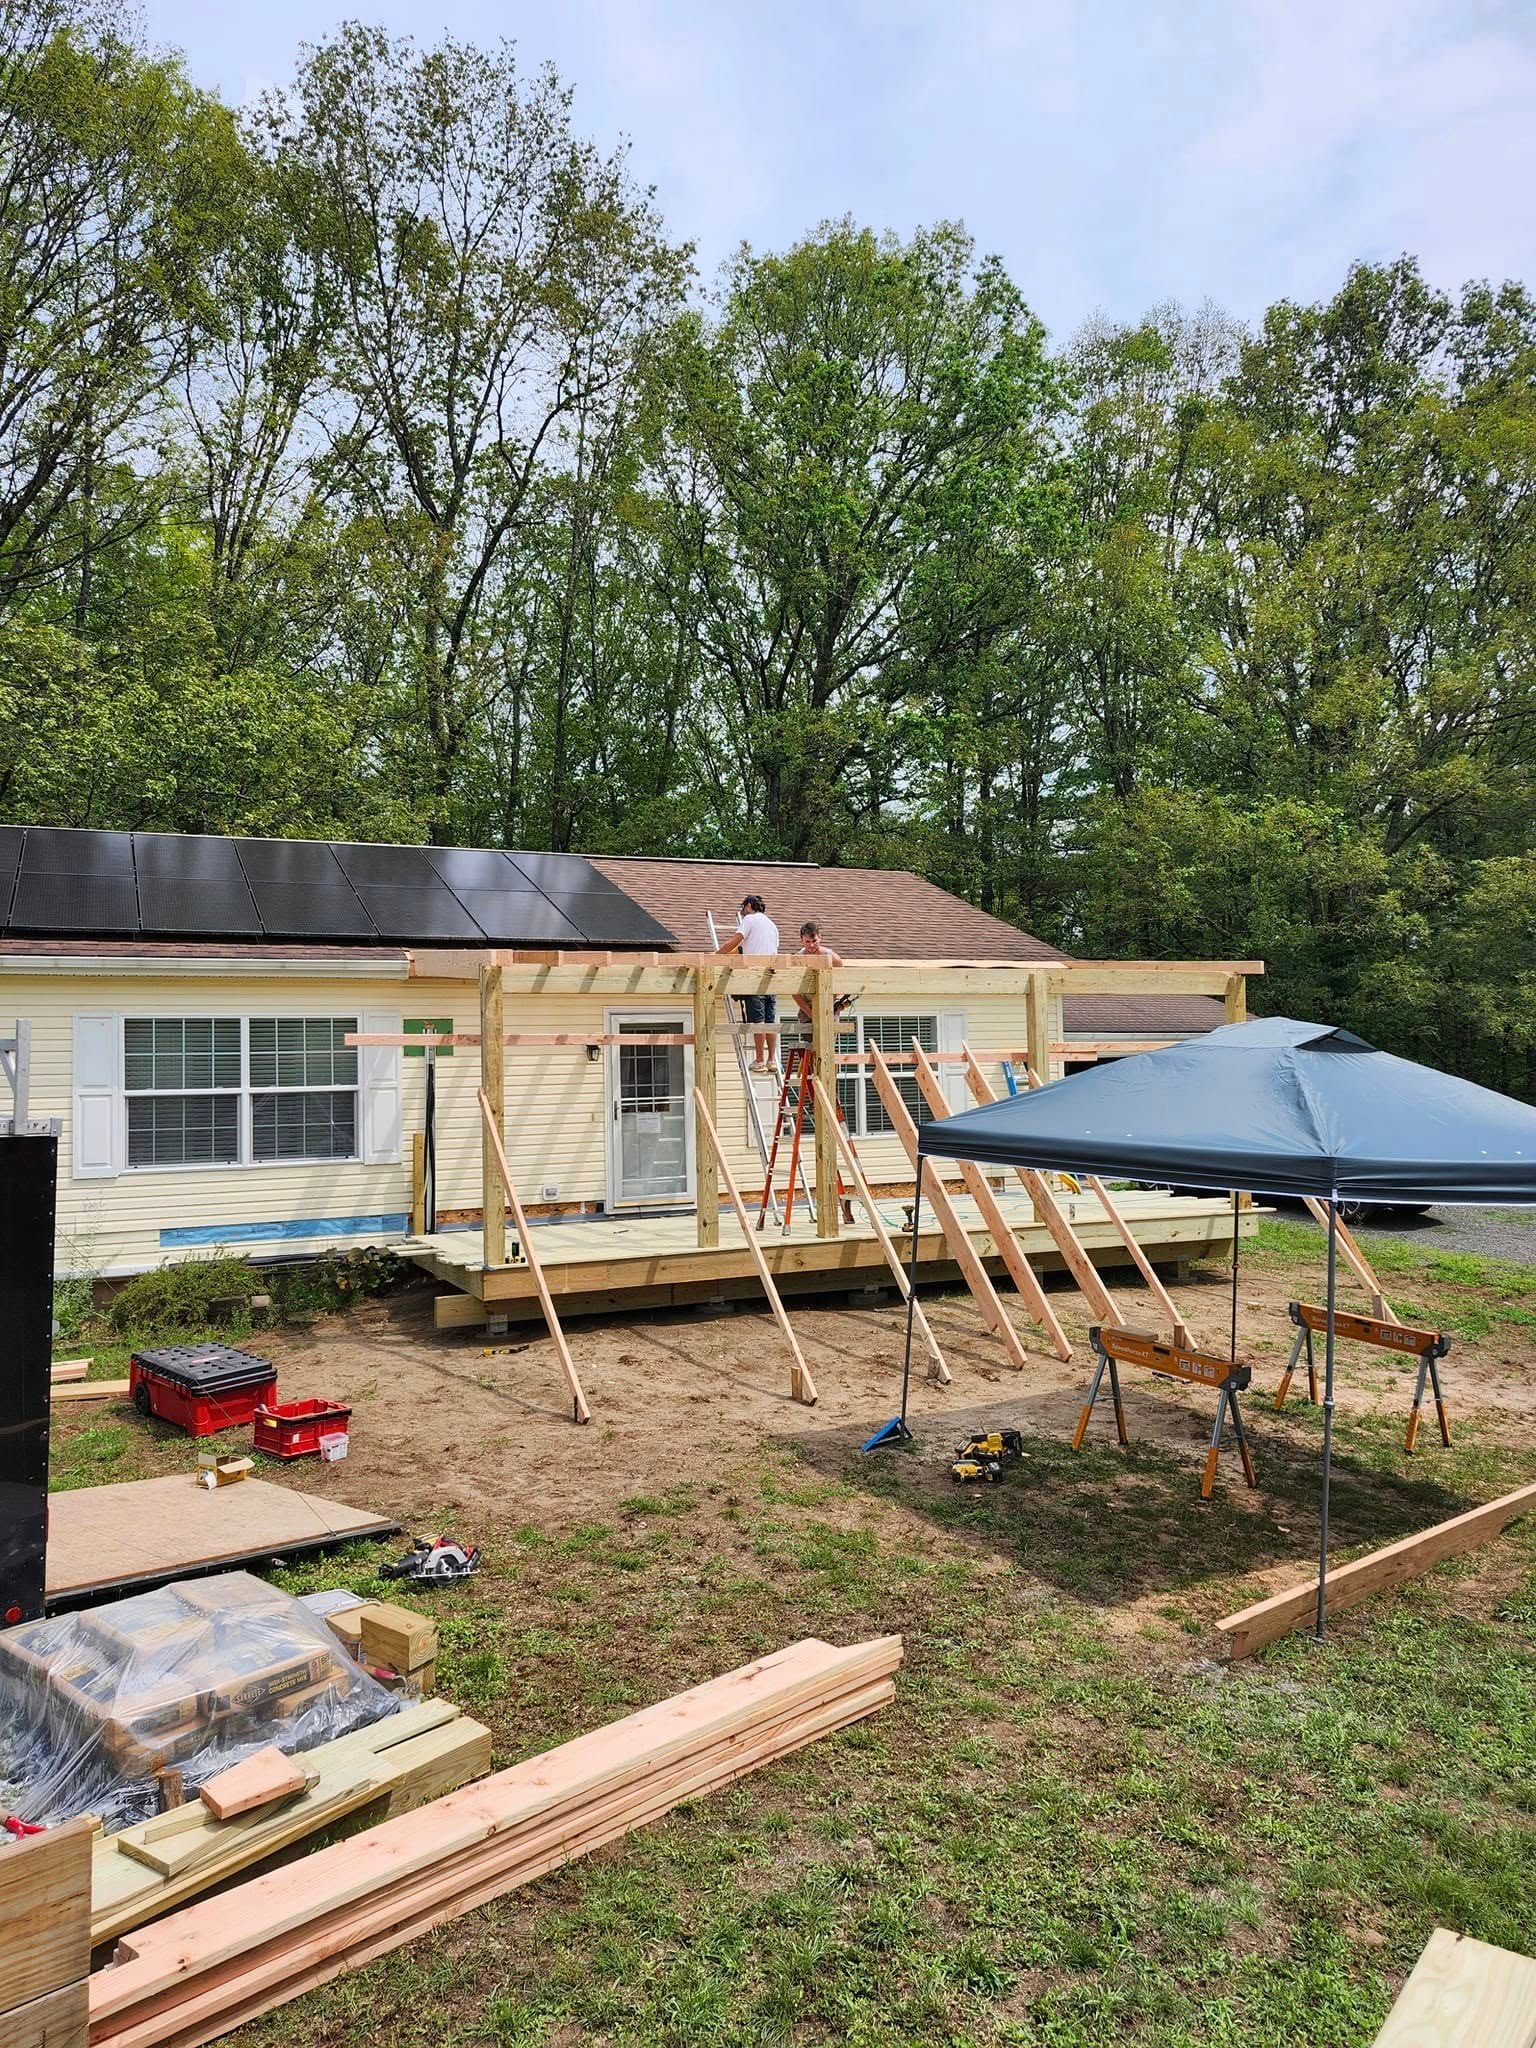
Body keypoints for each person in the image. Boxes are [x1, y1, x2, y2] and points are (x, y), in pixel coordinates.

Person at [716, 893, 780, 1071]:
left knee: (757, 1020)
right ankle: (771, 1060)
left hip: (755, 976)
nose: (743, 911)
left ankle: (759, 1060)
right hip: (771, 976)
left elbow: (735, 941)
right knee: (770, 1021)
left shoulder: (750, 920)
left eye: (744, 907)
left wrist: (716, 956)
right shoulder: (772, 925)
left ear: (750, 906)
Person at [794, 920, 846, 1023]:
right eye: (807, 942)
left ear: (820, 938)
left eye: (814, 941)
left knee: (829, 1037)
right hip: (807, 1004)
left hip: (829, 1004)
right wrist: (810, 1013)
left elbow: (843, 984)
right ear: (801, 940)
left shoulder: (833, 959)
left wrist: (838, 1002)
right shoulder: (797, 960)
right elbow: (794, 992)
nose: (811, 945)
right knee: (808, 1037)